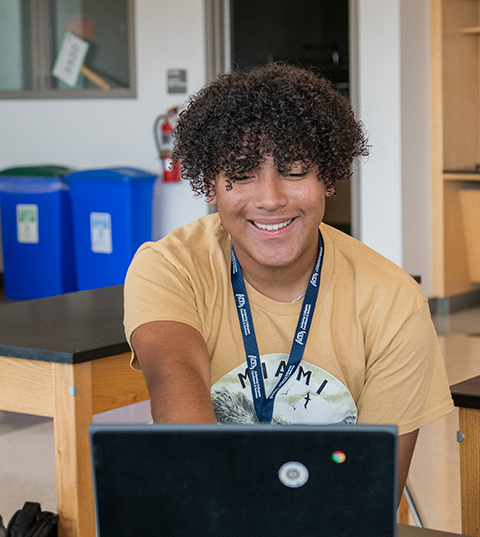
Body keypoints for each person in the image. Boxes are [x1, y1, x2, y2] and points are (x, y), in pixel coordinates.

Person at [122, 63, 452, 491]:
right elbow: (175, 378)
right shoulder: (170, 267)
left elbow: (371, 491)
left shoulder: (393, 302)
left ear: (327, 177)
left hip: (328, 526)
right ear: (210, 185)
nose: (271, 199)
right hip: (204, 504)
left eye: (294, 171)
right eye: (240, 175)